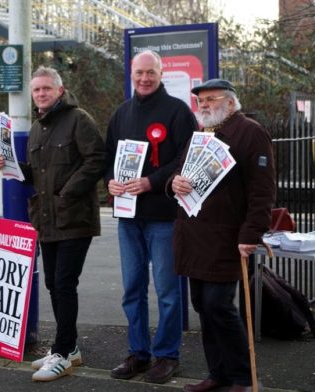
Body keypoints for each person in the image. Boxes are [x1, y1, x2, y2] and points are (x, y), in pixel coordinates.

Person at [0, 66, 106, 382]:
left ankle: (62, 350)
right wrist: (14, 167)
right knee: (52, 284)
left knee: (63, 283)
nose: (41, 94)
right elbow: (38, 173)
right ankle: (68, 350)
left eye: (46, 88)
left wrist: (66, 194)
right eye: (36, 90)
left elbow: (97, 158)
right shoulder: (37, 127)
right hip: (45, 219)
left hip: (73, 218)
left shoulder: (79, 119)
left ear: (60, 90)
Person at [169, 79, 276, 392]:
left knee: (219, 305)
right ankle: (217, 374)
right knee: (202, 305)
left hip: (227, 237)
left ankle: (242, 377)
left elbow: (262, 191)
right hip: (194, 236)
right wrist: (174, 182)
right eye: (200, 101)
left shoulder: (250, 132)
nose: (204, 105)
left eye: (210, 99)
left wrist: (251, 234)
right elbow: (179, 171)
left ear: (230, 102)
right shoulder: (200, 135)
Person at [105, 50, 198, 384]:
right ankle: (138, 353)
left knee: (168, 291)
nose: (144, 79)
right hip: (128, 217)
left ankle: (167, 355)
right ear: (131, 73)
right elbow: (108, 160)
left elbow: (185, 160)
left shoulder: (178, 112)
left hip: (163, 217)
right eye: (139, 73)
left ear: (161, 73)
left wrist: (152, 182)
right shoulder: (121, 113)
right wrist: (110, 183)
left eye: (151, 73)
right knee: (132, 289)